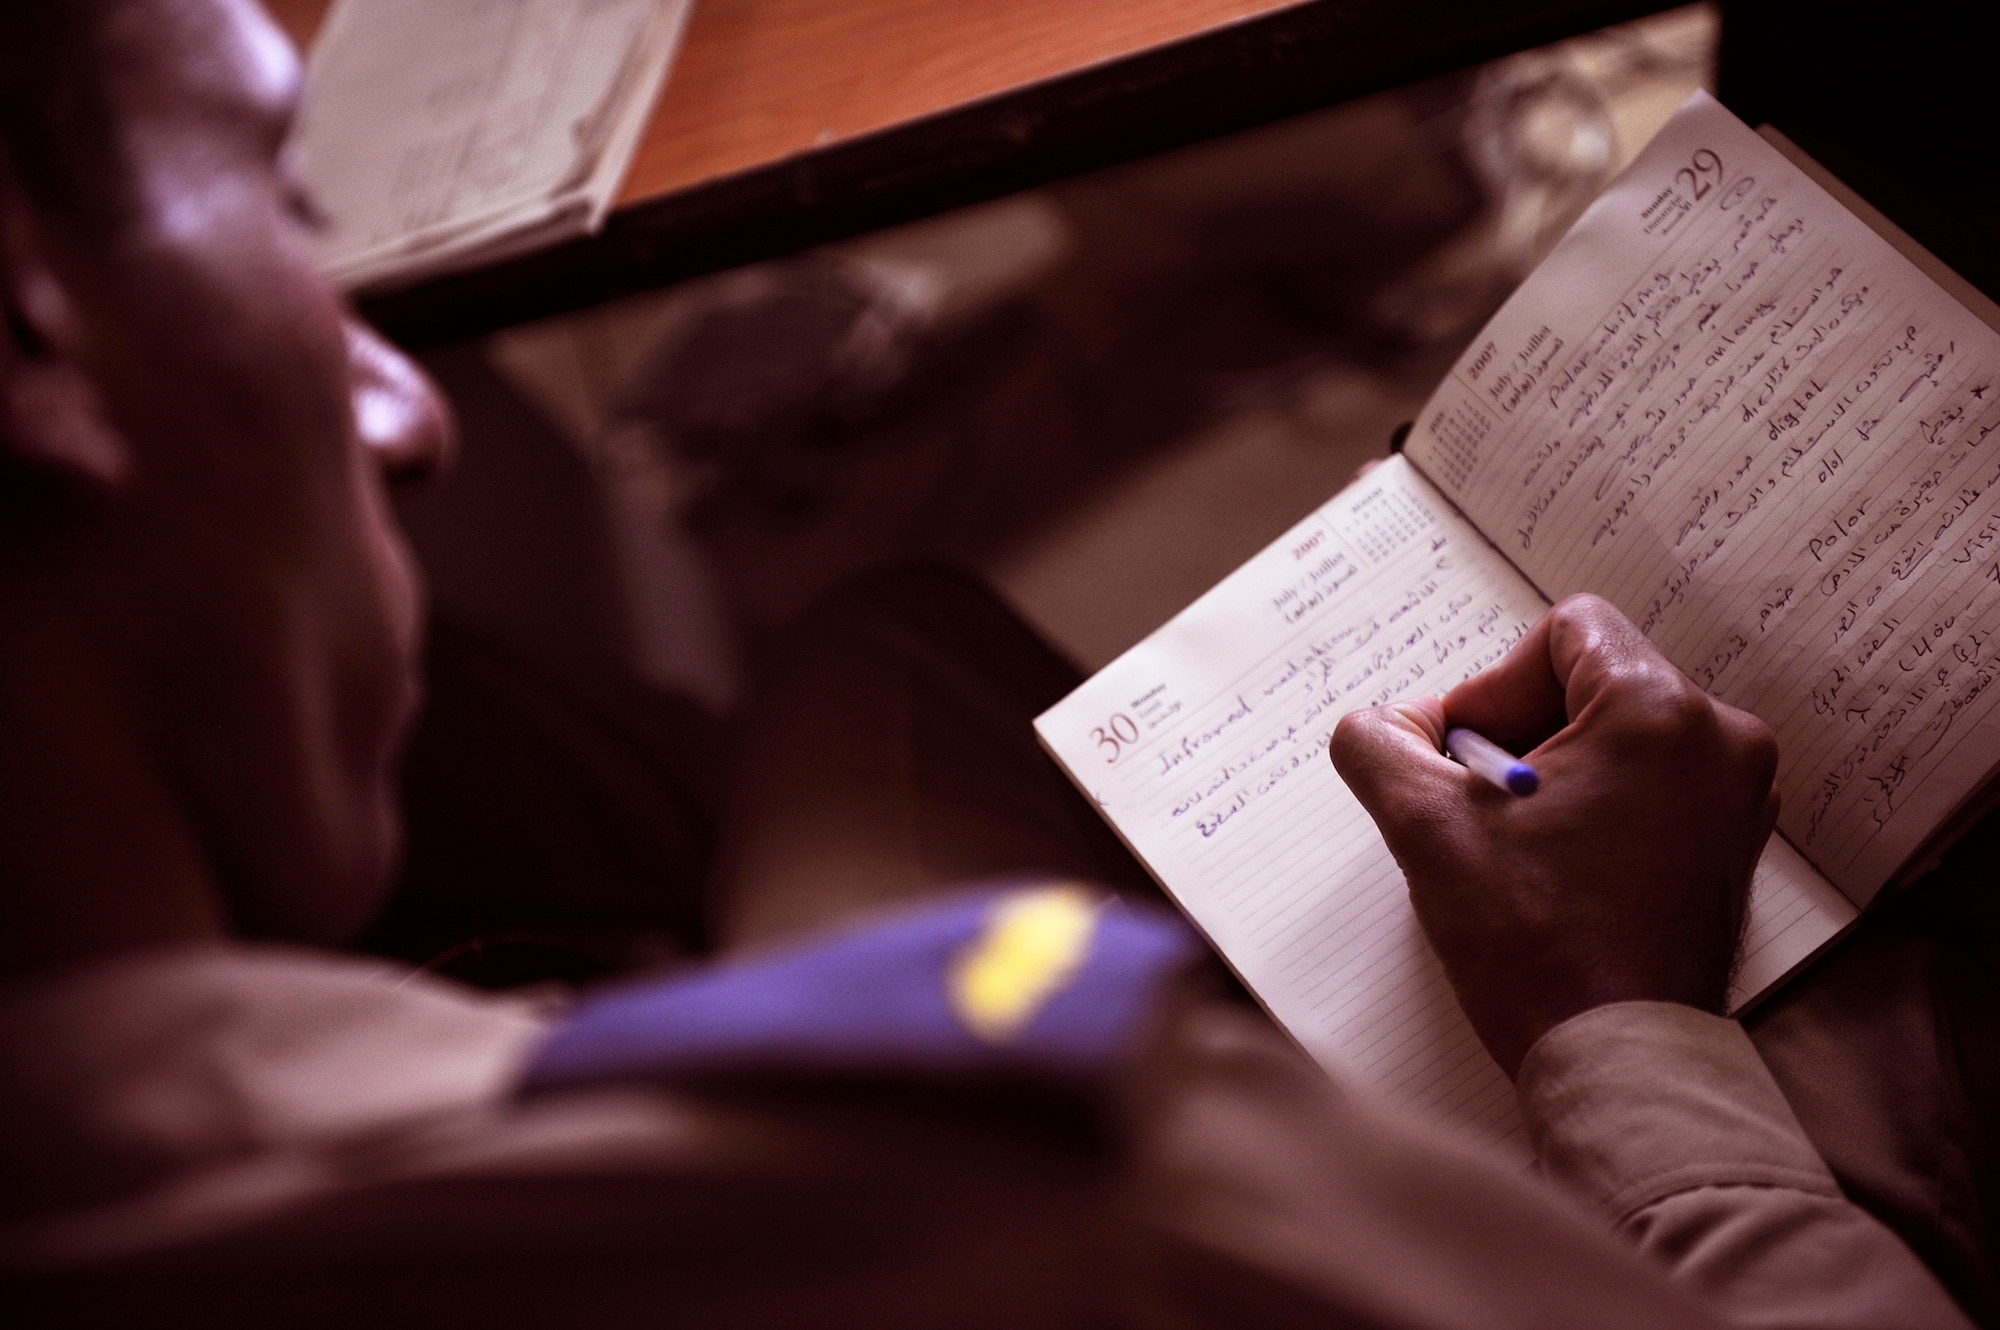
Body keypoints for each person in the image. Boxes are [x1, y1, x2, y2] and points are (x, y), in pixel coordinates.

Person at [0, 1, 1978, 1326]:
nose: (401, 406)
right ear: (35, 350)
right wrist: (1611, 1010)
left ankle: (1184, 315)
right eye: (275, 197)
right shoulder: (1076, 1200)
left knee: (883, 644)